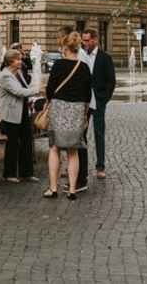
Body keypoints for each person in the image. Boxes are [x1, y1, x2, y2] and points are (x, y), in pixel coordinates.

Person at [43, 30, 91, 200]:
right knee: (73, 150)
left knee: (55, 148)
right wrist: (84, 114)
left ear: (65, 48)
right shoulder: (84, 68)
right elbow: (87, 96)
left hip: (59, 108)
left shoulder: (59, 65)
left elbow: (49, 90)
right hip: (77, 110)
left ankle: (53, 188)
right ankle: (71, 189)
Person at [80, 27, 116, 184]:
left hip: (99, 101)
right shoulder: (81, 55)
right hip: (85, 101)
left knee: (99, 134)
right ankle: (80, 167)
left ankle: (100, 166)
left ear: (95, 40)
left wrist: (104, 99)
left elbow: (111, 81)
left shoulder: (105, 58)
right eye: (83, 40)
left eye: (87, 40)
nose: (84, 43)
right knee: (81, 134)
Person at [0, 48, 38, 183]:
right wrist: (38, 91)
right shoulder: (5, 75)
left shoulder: (19, 73)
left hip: (23, 112)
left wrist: (30, 100)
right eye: (18, 59)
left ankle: (27, 172)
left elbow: (24, 88)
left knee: (26, 142)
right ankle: (10, 173)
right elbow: (18, 91)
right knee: (12, 144)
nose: (21, 62)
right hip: (11, 114)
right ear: (10, 61)